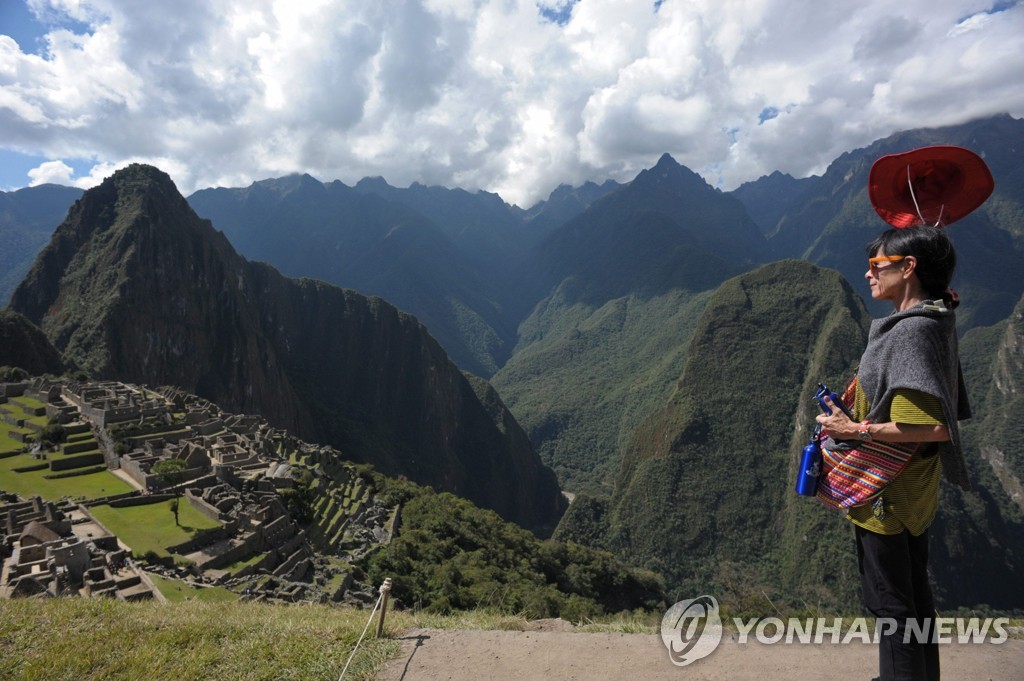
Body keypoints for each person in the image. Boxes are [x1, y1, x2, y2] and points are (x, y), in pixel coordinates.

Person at [813, 146, 993, 681]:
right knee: (914, 602)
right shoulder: (933, 319)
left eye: (877, 265)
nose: (868, 274)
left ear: (908, 267)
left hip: (886, 491)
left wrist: (854, 428)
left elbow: (931, 426)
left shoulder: (912, 331)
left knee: (891, 605)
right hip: (913, 492)